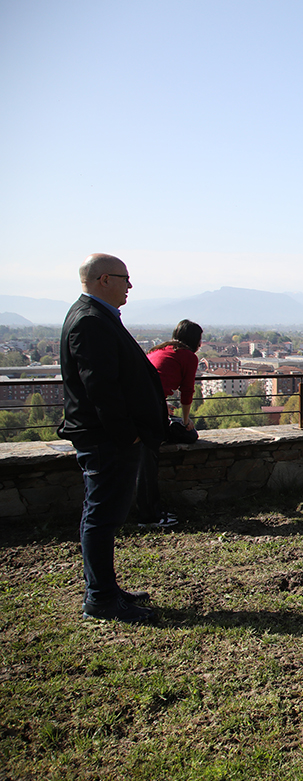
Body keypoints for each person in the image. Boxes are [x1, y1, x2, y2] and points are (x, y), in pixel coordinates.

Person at [58, 254, 168, 622]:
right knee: (102, 517)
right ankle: (101, 597)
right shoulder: (90, 322)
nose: (130, 286)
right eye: (125, 278)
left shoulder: (95, 317)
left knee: (103, 514)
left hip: (109, 437)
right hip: (108, 439)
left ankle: (104, 589)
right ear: (104, 279)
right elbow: (100, 388)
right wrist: (129, 436)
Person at [135, 319, 203, 528]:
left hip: (135, 408)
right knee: (188, 436)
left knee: (143, 462)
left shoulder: (158, 350)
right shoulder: (188, 357)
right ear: (195, 341)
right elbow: (187, 391)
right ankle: (150, 516)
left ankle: (149, 514)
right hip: (147, 413)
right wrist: (185, 421)